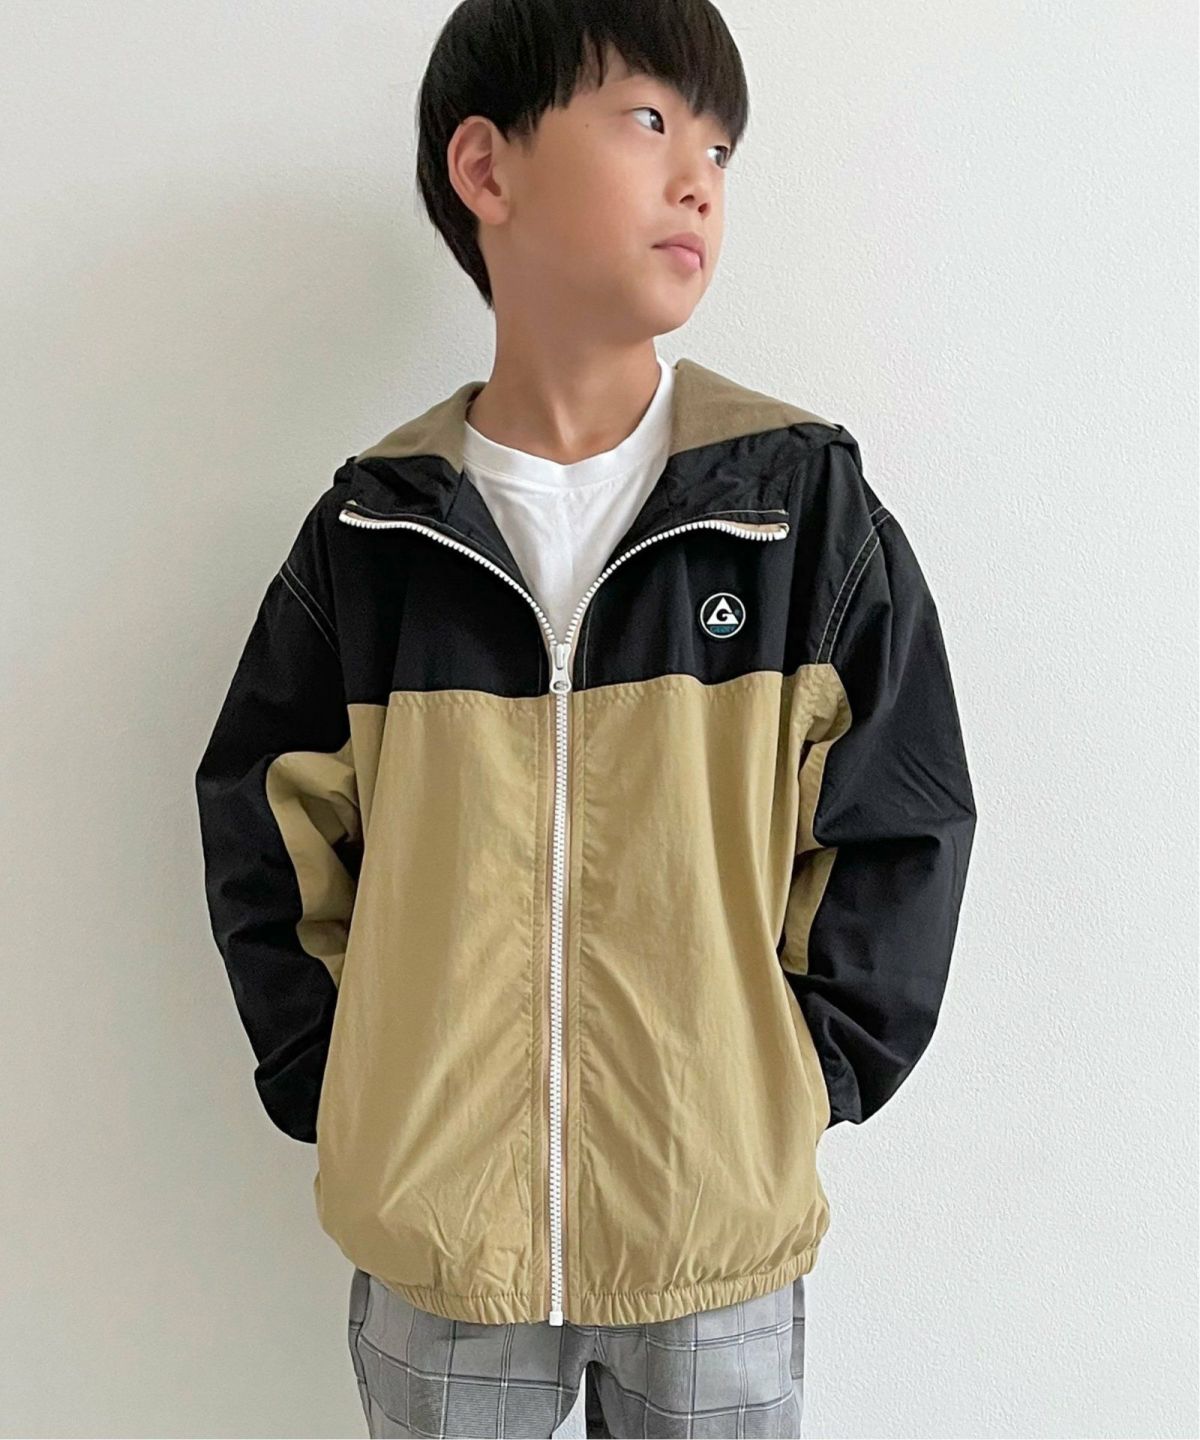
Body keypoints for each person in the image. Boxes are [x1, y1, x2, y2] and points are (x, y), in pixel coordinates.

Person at [193, 2, 977, 1436]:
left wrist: (791, 1084)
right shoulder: (375, 535)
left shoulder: (798, 509)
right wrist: (344, 1083)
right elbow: (266, 826)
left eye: (720, 149)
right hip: (444, 1249)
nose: (699, 180)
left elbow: (900, 820)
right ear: (486, 169)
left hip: (710, 1237)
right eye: (651, 120)